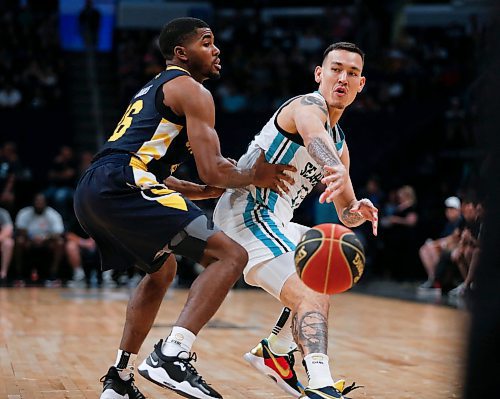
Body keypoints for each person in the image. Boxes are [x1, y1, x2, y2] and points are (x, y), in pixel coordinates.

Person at [73, 18, 293, 399]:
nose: (216, 49)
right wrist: (254, 174)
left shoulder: (153, 88)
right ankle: (172, 355)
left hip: (97, 188)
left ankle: (120, 378)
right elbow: (215, 168)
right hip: (122, 183)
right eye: (207, 43)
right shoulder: (191, 90)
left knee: (162, 270)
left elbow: (160, 173)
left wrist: (206, 190)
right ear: (181, 53)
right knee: (229, 256)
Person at [213, 42, 378, 399]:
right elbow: (314, 137)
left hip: (276, 218)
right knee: (312, 292)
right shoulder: (305, 106)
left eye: (351, 73)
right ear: (319, 74)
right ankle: (319, 384)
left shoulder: (341, 142)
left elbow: (345, 213)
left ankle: (276, 350)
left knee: (332, 265)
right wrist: (335, 168)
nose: (342, 78)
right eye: (335, 69)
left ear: (360, 84)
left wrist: (358, 211)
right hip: (249, 212)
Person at [14, 193, 65, 286]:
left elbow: (59, 232)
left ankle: (53, 274)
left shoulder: (53, 214)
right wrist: (32, 238)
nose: (39, 203)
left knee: (60, 242)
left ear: (45, 203)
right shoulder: (24, 213)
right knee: (19, 241)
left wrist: (44, 238)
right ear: (33, 202)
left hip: (47, 242)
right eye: (37, 201)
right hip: (29, 241)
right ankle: (19, 274)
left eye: (41, 202)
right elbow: (20, 230)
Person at [419, 196, 462, 288]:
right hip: (446, 246)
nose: (448, 211)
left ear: (458, 210)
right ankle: (433, 278)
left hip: (455, 247)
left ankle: (438, 280)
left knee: (432, 248)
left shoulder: (460, 222)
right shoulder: (448, 224)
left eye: (452, 209)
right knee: (424, 249)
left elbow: (454, 238)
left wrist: (435, 244)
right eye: (447, 209)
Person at [0, 206, 14, 285]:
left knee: (8, 243)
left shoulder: (2, 212)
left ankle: (3, 274)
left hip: (1, 240)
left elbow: (8, 229)